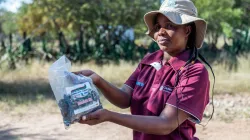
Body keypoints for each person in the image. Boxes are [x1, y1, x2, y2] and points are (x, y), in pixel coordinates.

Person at [75, 0, 214, 139]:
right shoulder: (149, 61)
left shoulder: (193, 71)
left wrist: (110, 116)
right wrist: (97, 80)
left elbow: (166, 124)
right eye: (158, 26)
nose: (161, 32)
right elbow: (125, 99)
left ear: (187, 30)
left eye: (169, 25)